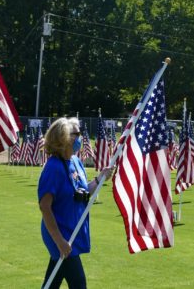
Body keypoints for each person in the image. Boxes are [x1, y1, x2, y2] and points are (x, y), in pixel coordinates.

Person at [38, 117, 113, 289]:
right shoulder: (53, 168)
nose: (81, 137)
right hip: (60, 234)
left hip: (72, 231)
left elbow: (82, 191)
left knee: (52, 281)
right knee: (78, 283)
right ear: (63, 137)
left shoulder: (76, 162)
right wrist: (59, 241)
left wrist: (100, 178)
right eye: (77, 134)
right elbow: (45, 207)